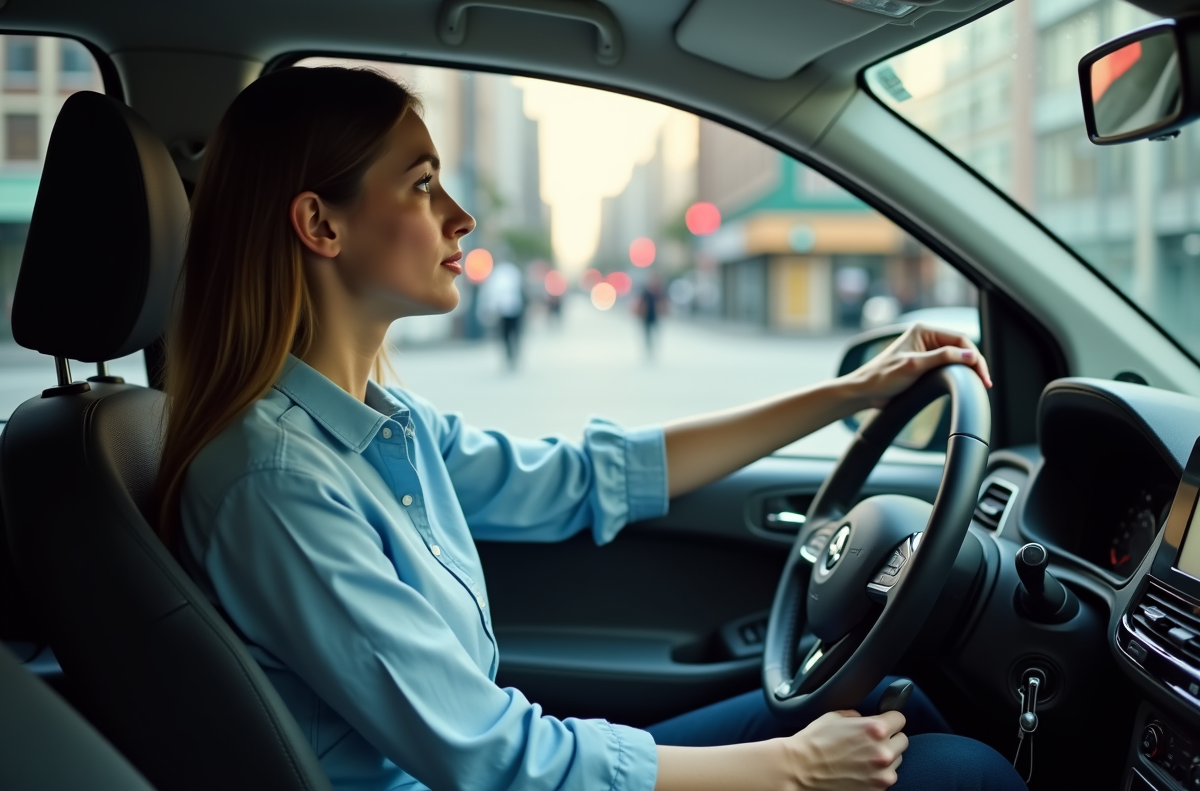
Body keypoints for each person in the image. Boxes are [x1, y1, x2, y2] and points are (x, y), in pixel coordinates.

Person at [155, 66, 1025, 791]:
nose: (460, 216)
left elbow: (589, 477)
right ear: (320, 224)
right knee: (959, 773)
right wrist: (792, 769)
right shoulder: (276, 481)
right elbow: (490, 755)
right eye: (422, 185)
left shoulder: (387, 426)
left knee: (896, 706)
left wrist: (853, 394)